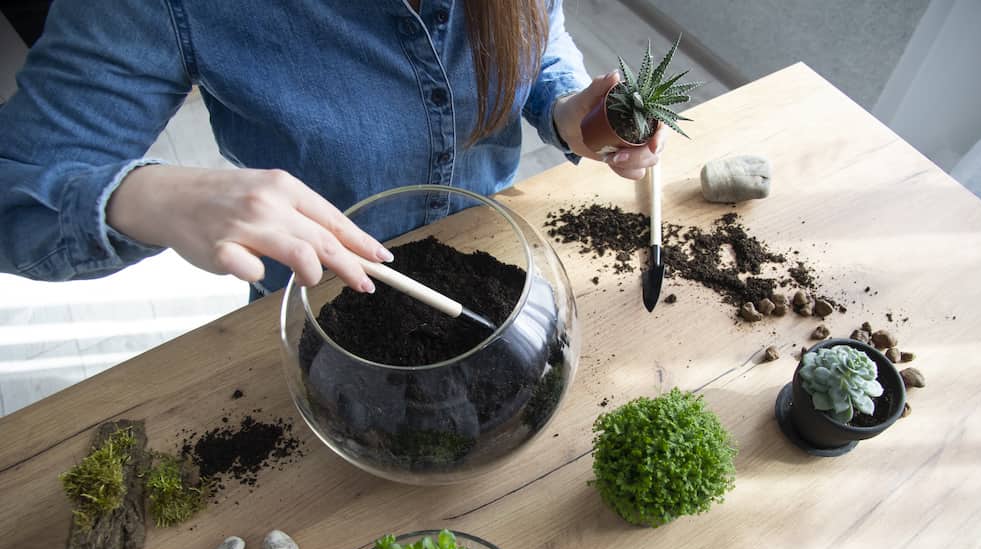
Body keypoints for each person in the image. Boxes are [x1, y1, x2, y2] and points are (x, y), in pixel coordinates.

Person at [0, 1, 666, 299]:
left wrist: (563, 105)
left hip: (488, 268)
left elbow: (540, 28)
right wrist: (144, 195)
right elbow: (16, 186)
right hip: (323, 304)